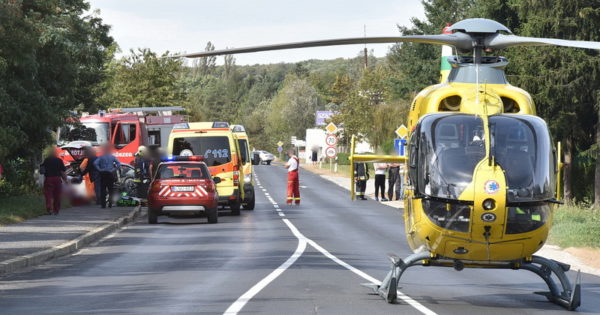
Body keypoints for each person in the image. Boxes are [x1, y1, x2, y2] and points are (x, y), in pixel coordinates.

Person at [40, 147, 67, 215]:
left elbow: (42, 170)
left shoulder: (46, 160)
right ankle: (56, 210)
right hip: (57, 179)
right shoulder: (59, 160)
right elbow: (62, 172)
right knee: (57, 195)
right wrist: (65, 180)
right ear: (55, 153)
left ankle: (49, 207)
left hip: (48, 179)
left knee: (48, 194)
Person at [93, 144, 121, 208]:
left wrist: (99, 169)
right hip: (110, 173)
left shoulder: (101, 157)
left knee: (103, 189)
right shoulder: (112, 157)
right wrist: (114, 169)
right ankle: (110, 204)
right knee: (110, 189)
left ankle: (103, 205)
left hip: (103, 174)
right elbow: (118, 163)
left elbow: (95, 163)